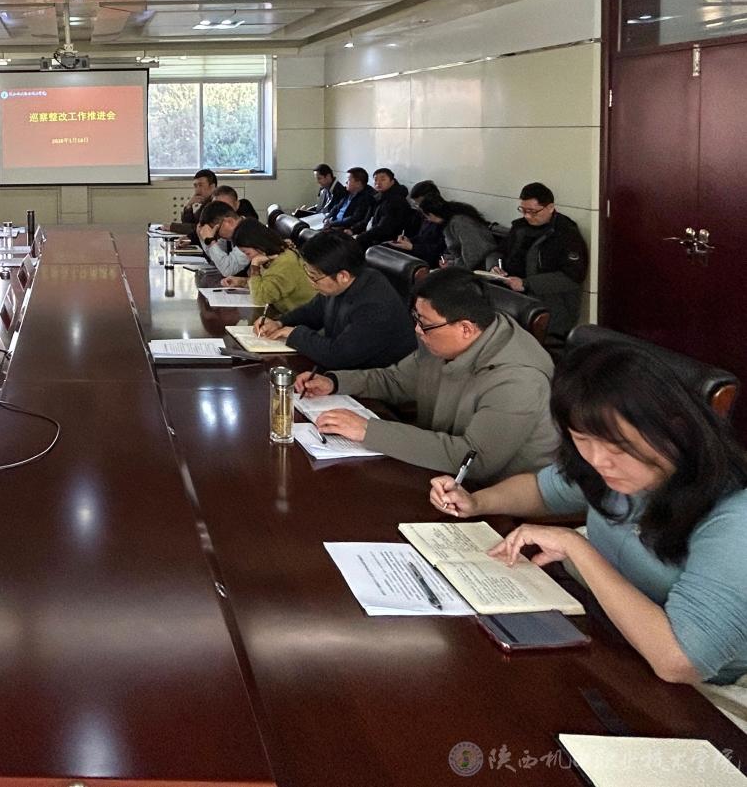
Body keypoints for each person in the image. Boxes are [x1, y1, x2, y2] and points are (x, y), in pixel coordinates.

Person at [429, 339, 747, 696]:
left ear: (676, 429)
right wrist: (476, 501)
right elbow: (544, 490)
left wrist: (575, 547)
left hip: (698, 691)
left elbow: (680, 661)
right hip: (607, 631)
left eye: (617, 446)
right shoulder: (613, 464)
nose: (598, 460)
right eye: (582, 439)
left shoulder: (735, 518)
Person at [296, 268, 560, 482]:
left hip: (497, 498)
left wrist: (368, 430)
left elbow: (473, 461)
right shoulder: (443, 340)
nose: (417, 331)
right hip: (439, 475)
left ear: (465, 329)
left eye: (425, 324)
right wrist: (335, 382)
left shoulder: (518, 379)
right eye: (416, 319)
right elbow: (395, 380)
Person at [254, 232, 417, 369]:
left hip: (375, 380)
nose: (311, 283)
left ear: (343, 276)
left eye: (314, 277)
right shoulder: (342, 283)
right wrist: (280, 322)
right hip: (348, 369)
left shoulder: (375, 305)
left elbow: (338, 356)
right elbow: (313, 310)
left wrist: (294, 333)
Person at [491, 182, 589, 340]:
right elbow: (499, 251)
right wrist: (495, 266)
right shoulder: (520, 227)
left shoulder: (566, 235)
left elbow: (572, 277)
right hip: (512, 295)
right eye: (523, 210)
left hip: (547, 303)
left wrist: (526, 283)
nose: (527, 216)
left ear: (550, 207)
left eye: (533, 211)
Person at [221, 219, 317, 315]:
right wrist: (242, 282)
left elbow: (259, 298)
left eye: (247, 253)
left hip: (306, 319)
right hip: (287, 313)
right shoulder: (275, 254)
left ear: (259, 245)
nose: (248, 258)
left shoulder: (284, 264)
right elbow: (266, 284)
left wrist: (255, 265)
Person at [420, 197, 499, 271]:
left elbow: (474, 257)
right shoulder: (450, 222)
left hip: (479, 269)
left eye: (426, 217)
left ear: (431, 214)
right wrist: (450, 262)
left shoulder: (460, 222)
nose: (428, 220)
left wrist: (452, 267)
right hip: (467, 266)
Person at [354, 168, 419, 248]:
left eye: (383, 179)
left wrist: (360, 237)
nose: (378, 183)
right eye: (376, 180)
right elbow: (367, 220)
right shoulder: (378, 197)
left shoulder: (396, 201)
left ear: (392, 182)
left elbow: (384, 229)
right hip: (372, 236)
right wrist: (353, 230)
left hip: (386, 242)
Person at [387, 180, 446, 266]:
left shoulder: (443, 218)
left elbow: (440, 249)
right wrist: (408, 241)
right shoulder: (423, 214)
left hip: (432, 259)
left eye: (419, 203)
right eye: (416, 204)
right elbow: (421, 237)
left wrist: (412, 247)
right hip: (419, 251)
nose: (418, 207)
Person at [195, 200, 249, 276]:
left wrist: (210, 240)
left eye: (216, 232)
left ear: (229, 221)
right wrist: (203, 238)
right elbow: (218, 260)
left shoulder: (248, 232)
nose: (218, 237)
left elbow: (228, 270)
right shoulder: (233, 232)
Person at [322, 167, 374, 232]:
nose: (346, 182)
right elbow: (336, 207)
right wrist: (327, 218)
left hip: (344, 228)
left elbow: (354, 218)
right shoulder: (347, 192)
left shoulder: (366, 198)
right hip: (333, 224)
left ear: (358, 183)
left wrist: (332, 224)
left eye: (348, 180)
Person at [169, 169, 218, 235]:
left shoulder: (217, 203)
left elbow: (202, 229)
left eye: (200, 185)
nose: (197, 190)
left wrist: (172, 227)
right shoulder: (206, 203)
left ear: (212, 187)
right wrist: (188, 206)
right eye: (195, 186)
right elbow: (190, 224)